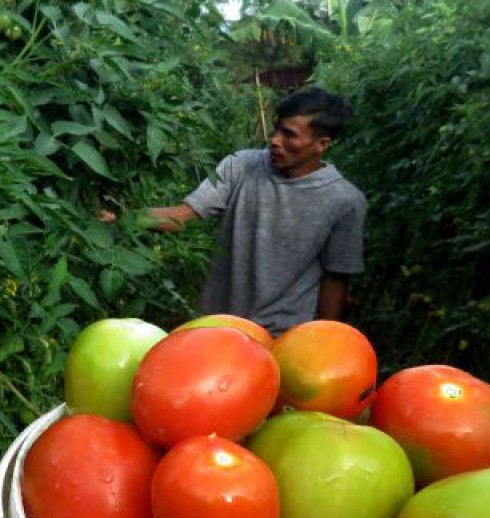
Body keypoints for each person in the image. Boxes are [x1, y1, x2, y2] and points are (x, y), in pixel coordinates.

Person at [101, 87, 367, 335]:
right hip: (221, 328)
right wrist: (124, 217)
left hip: (285, 337)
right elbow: (183, 216)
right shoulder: (241, 166)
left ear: (322, 144)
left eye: (289, 135)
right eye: (276, 130)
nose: (274, 141)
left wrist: (328, 340)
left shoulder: (344, 201)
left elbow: (335, 279)